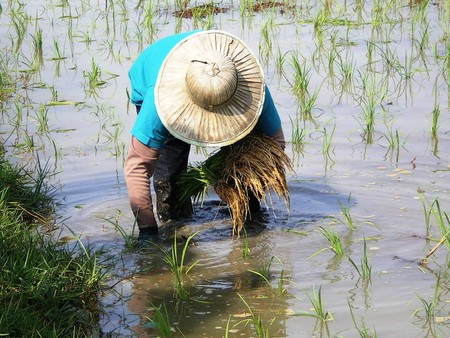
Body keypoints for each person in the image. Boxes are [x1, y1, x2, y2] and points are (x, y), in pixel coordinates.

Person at [124, 30, 285, 243]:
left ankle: (249, 228)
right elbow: (137, 169)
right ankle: (177, 230)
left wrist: (235, 177)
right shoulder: (158, 104)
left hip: (225, 84)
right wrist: (148, 233)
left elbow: (275, 145)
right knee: (170, 181)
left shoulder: (252, 90)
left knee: (246, 163)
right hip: (158, 82)